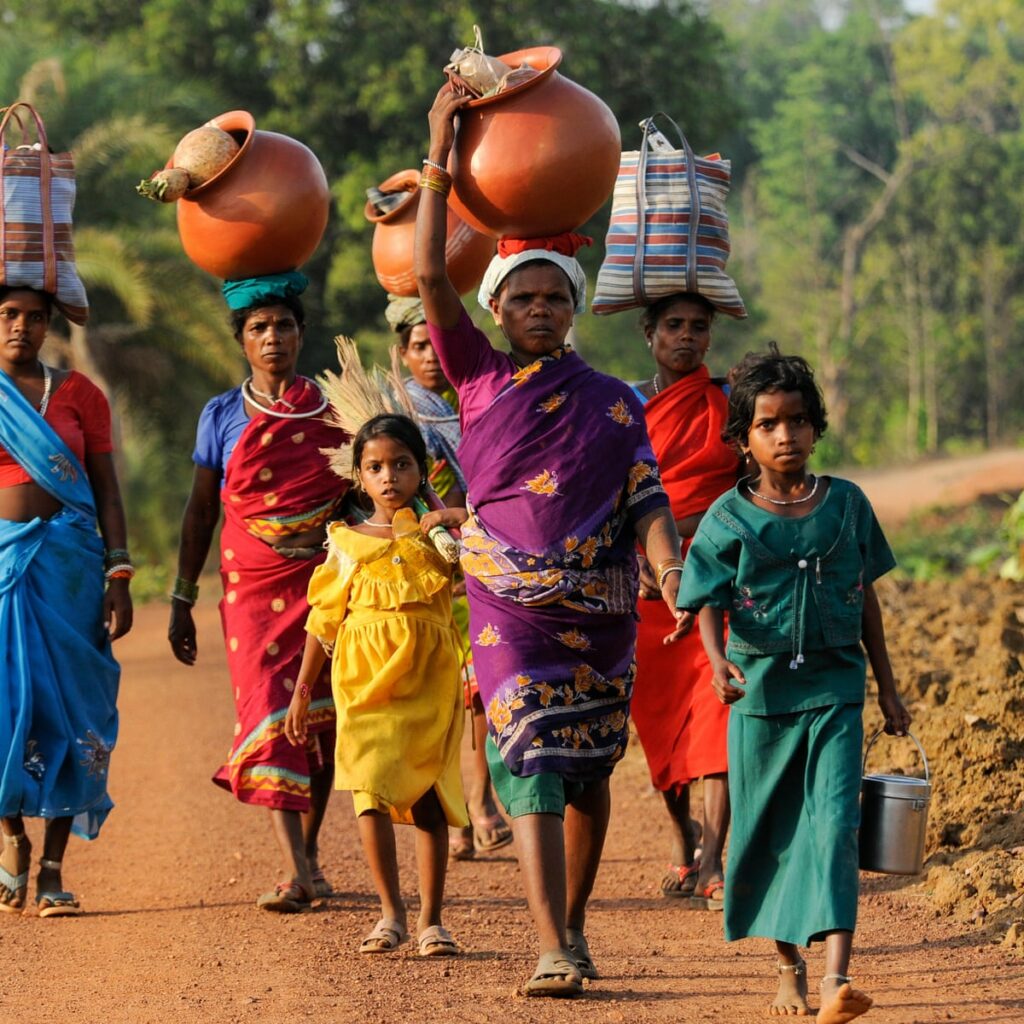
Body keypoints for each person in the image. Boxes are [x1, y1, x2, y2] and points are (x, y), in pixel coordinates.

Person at [414, 85, 686, 997]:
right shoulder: (479, 379)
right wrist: (439, 151)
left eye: (550, 296)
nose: (536, 306)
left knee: (588, 768)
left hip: (600, 610)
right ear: (496, 310)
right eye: (520, 296)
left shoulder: (615, 399)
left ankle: (573, 922)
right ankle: (550, 943)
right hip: (504, 606)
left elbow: (646, 496)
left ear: (571, 307)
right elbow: (424, 280)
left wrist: (669, 567)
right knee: (526, 754)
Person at [677, 344, 911, 1023]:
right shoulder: (727, 518)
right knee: (770, 832)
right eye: (770, 424)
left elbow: (866, 597)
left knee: (836, 826)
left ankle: (839, 978)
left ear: (816, 427)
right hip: (762, 697)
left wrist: (889, 689)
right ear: (745, 438)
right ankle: (789, 967)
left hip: (837, 690)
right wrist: (718, 662)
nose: (787, 436)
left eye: (799, 421)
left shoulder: (847, 506)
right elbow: (707, 602)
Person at [168, 274, 347, 913]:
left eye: (284, 325)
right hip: (249, 588)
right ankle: (294, 868)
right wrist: (182, 597)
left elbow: (364, 492)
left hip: (324, 583)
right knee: (268, 711)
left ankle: (313, 849)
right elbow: (198, 513)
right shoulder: (220, 415)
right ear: (242, 341)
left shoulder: (336, 408)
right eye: (258, 328)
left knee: (319, 719)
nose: (273, 337)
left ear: (302, 334)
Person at [284, 413, 467, 957]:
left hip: (429, 680)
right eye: (376, 467)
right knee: (370, 795)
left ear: (421, 471)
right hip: (363, 684)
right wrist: (301, 691)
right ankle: (391, 914)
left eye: (402, 465)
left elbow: (478, 556)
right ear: (359, 477)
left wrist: (440, 513)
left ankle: (433, 920)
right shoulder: (344, 542)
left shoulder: (441, 536)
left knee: (430, 798)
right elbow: (322, 621)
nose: (389, 477)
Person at [0, 286, 132, 917]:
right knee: (4, 711)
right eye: (8, 315)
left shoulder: (80, 395)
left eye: (33, 317)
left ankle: (52, 868)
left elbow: (107, 491)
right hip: (1, 568)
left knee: (70, 708)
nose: (21, 326)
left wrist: (120, 573)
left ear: (49, 324)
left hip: (72, 568)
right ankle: (10, 840)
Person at [386, 294, 511, 861]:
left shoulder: (478, 404)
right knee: (438, 701)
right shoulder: (395, 418)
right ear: (403, 354)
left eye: (436, 343)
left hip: (476, 561)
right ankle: (452, 812)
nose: (430, 356)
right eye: (418, 346)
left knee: (481, 696)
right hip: (419, 569)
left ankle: (481, 802)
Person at [629, 293, 739, 907]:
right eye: (674, 325)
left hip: (719, 580)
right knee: (661, 722)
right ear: (649, 333)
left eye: (699, 327)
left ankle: (715, 859)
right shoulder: (629, 409)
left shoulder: (727, 405)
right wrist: (639, 557)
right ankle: (683, 838)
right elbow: (612, 494)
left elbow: (748, 485)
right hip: (647, 590)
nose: (687, 337)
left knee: (715, 714)